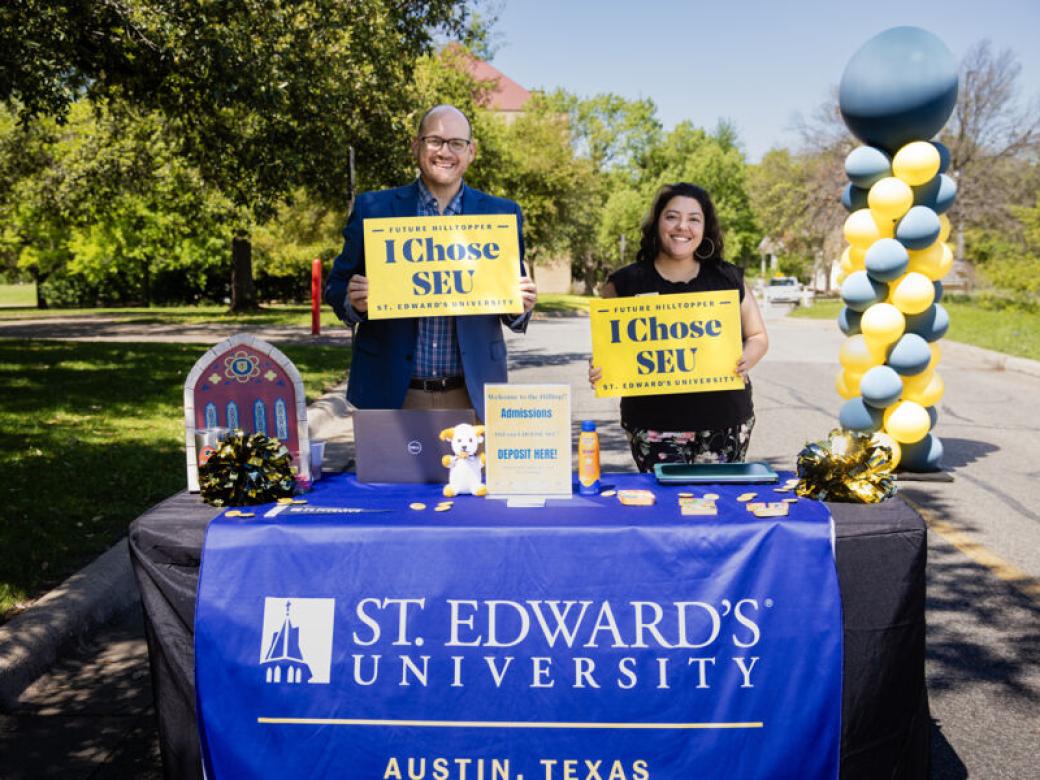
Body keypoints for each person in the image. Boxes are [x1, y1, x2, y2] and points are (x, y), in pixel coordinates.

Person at [325, 104, 537, 422]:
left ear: (471, 152)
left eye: (456, 143)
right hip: (391, 393)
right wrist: (355, 302)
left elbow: (510, 303)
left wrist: (520, 305)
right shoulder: (373, 209)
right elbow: (336, 286)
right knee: (387, 475)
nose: (445, 152)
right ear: (416, 146)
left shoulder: (501, 215)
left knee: (470, 474)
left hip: (473, 394)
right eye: (434, 140)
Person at [589, 182, 768, 471]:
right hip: (653, 424)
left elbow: (758, 336)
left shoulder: (727, 279)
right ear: (657, 222)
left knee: (716, 507)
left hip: (725, 419)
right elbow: (610, 349)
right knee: (669, 511)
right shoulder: (624, 283)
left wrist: (747, 357)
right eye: (672, 216)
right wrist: (602, 368)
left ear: (705, 228)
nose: (682, 226)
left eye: (694, 219)